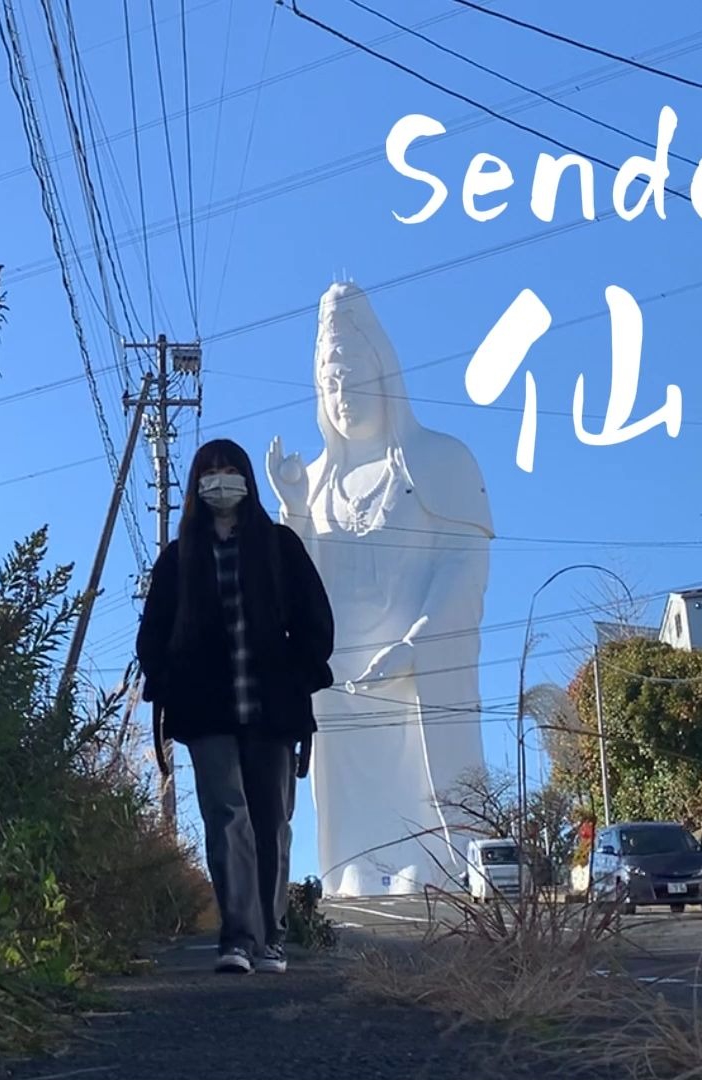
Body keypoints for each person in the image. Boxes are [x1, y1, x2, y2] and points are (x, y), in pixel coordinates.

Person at [266, 281, 495, 898]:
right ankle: (355, 862)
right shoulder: (314, 479)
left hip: (414, 662)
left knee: (414, 758)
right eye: (329, 383)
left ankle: (431, 858)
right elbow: (297, 585)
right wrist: (295, 512)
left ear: (384, 372)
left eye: (352, 377)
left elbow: (464, 564)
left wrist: (419, 643)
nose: (341, 396)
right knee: (347, 762)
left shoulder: (440, 459)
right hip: (339, 672)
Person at [137, 438, 336, 974]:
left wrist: (300, 675)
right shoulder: (179, 557)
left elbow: (316, 621)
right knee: (227, 818)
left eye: (229, 470)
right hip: (206, 713)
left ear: (247, 479)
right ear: (195, 485)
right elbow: (152, 635)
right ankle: (238, 938)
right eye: (210, 472)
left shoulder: (279, 545)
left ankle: (270, 937)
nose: (220, 480)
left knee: (271, 822)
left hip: (273, 709)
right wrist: (168, 685)